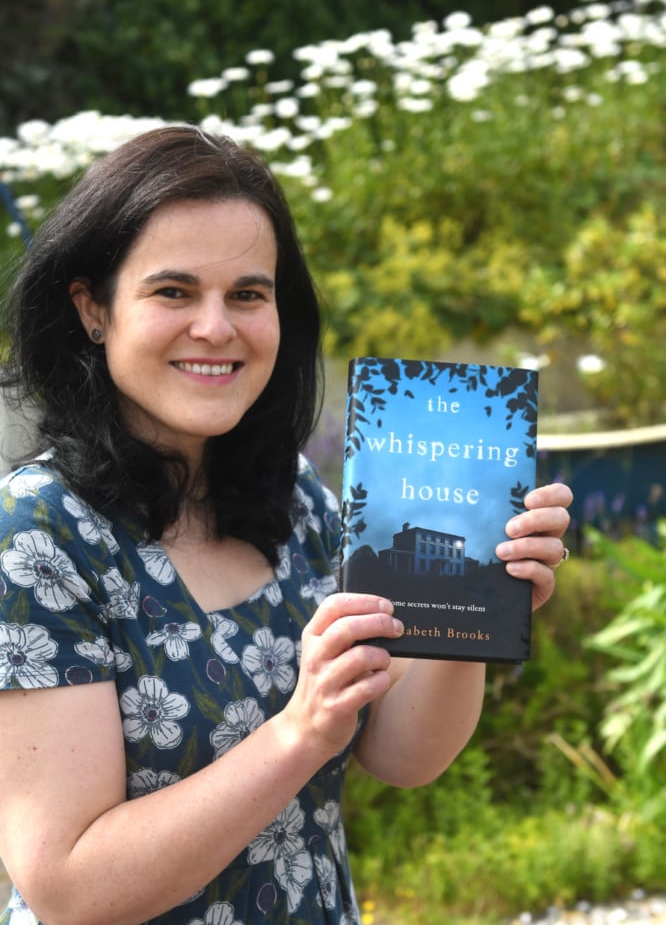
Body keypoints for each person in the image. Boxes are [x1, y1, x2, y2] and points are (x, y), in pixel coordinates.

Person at [0, 125, 572, 925]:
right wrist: (299, 734)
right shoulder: (38, 534)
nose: (216, 327)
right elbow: (68, 888)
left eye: (247, 294)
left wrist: (480, 602)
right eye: (173, 292)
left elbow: (400, 755)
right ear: (93, 309)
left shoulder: (292, 495)